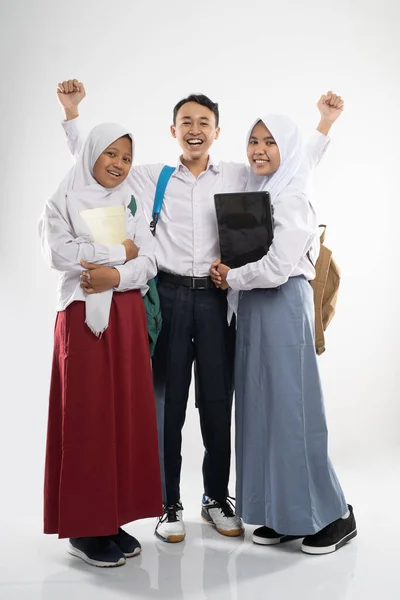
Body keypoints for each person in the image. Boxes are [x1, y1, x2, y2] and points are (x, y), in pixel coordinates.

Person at [56, 80, 343, 543]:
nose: (194, 129)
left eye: (203, 123)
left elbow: (294, 164)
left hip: (217, 298)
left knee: (217, 402)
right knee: (165, 406)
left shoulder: (238, 175)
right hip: (166, 296)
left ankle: (215, 498)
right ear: (173, 130)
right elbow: (97, 165)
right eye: (186, 122)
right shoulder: (152, 176)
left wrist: (324, 126)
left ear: (216, 131)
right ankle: (169, 503)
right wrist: (72, 117)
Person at [211, 115, 357, 555]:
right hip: (255, 309)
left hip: (282, 305)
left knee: (294, 414)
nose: (258, 149)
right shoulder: (264, 190)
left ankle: (335, 515)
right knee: (262, 412)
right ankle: (285, 513)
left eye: (270, 142)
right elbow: (306, 153)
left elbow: (277, 267)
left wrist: (230, 277)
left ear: (285, 149)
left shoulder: (293, 197)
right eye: (253, 141)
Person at [39, 123, 162, 567]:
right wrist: (117, 254)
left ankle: (112, 518)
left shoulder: (131, 199)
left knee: (121, 416)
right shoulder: (65, 198)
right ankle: (84, 527)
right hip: (82, 315)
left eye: (126, 158)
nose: (118, 164)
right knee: (87, 416)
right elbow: (59, 254)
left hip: (125, 316)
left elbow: (148, 259)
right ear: (90, 153)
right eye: (110, 153)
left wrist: (118, 273)